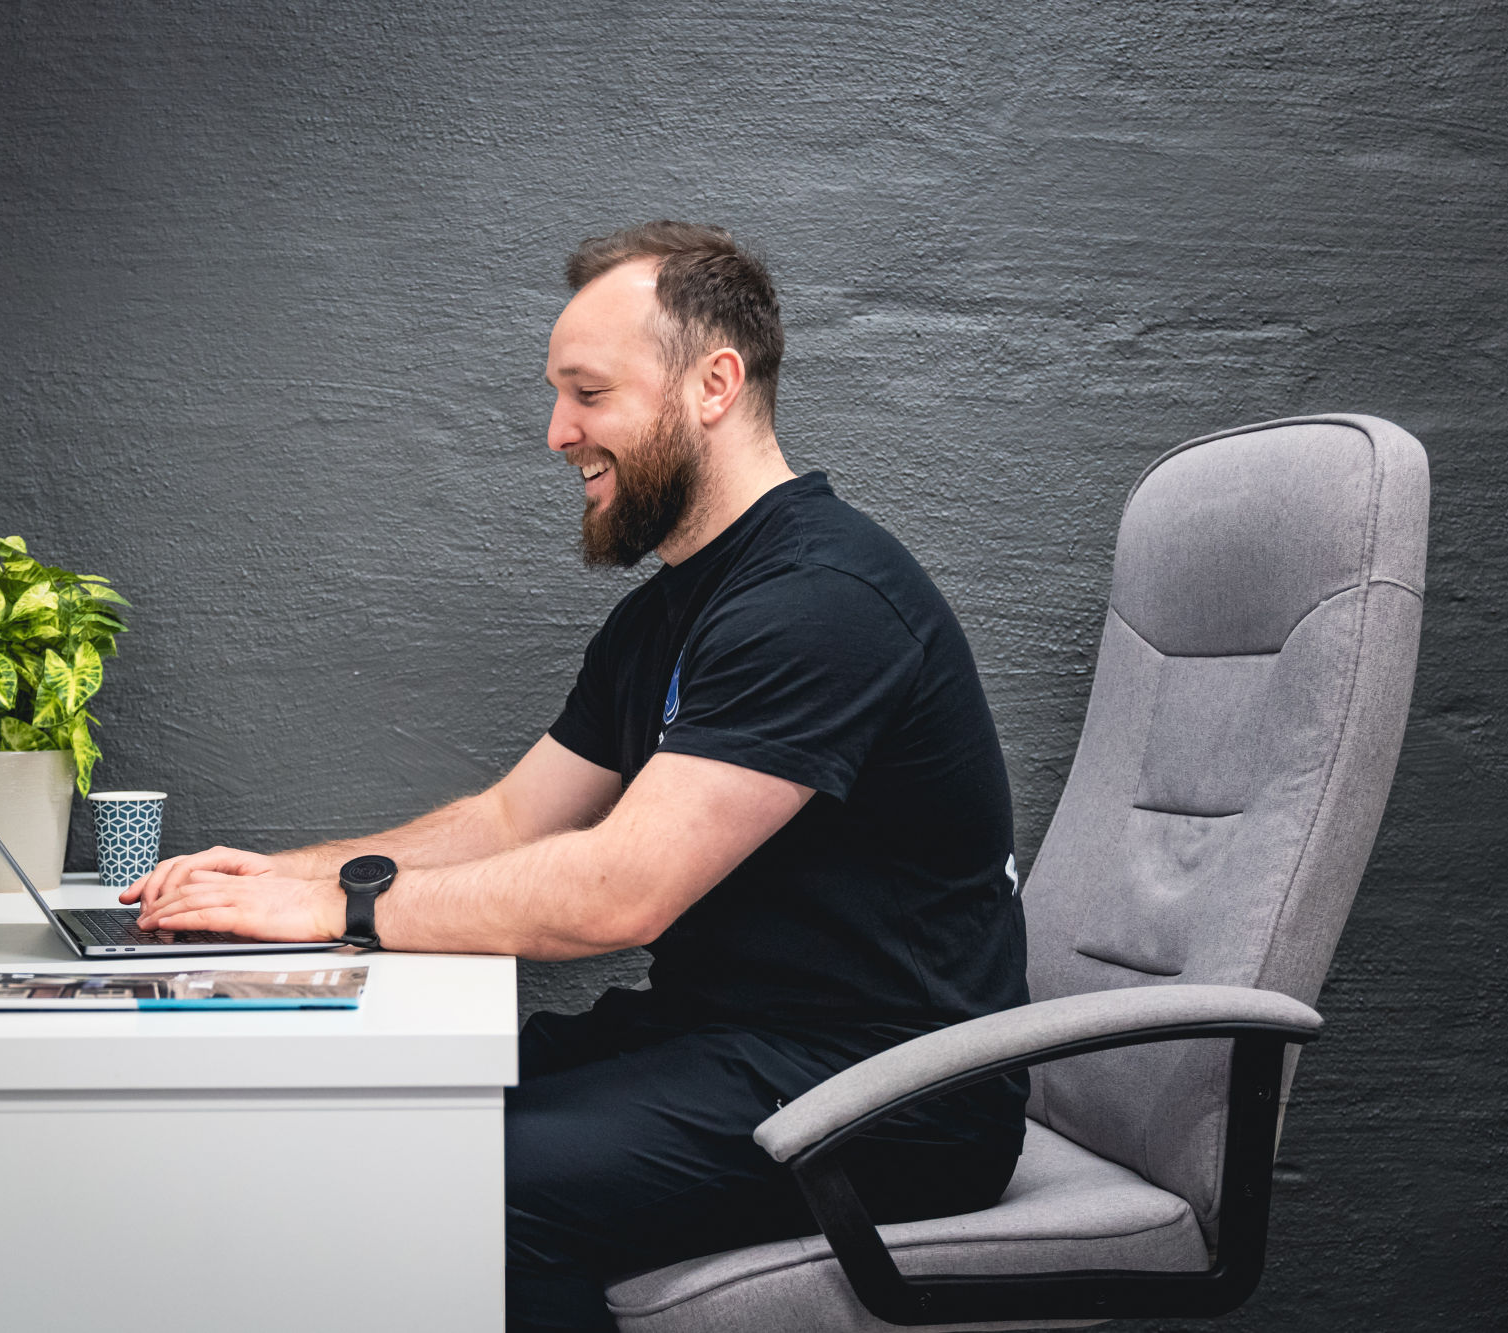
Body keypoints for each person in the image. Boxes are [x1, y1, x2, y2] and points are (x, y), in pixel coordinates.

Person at [125, 221, 1029, 1331]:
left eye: (587, 393)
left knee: (452, 1188)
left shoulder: (821, 601)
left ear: (713, 383)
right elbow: (509, 817)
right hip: (722, 1046)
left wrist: (336, 907)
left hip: (879, 1101)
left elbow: (618, 890)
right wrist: (274, 879)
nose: (557, 433)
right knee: (366, 1110)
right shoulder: (665, 615)